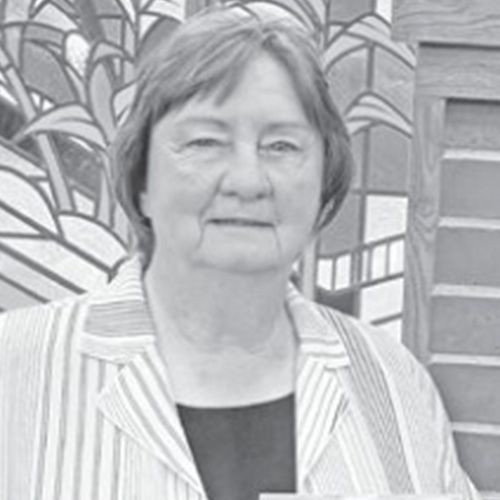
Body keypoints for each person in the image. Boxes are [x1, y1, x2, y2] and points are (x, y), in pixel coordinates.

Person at [0, 5, 480, 500]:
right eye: (206, 142)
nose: (248, 181)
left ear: (324, 183)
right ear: (141, 179)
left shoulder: (393, 385)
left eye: (282, 146)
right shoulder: (14, 372)